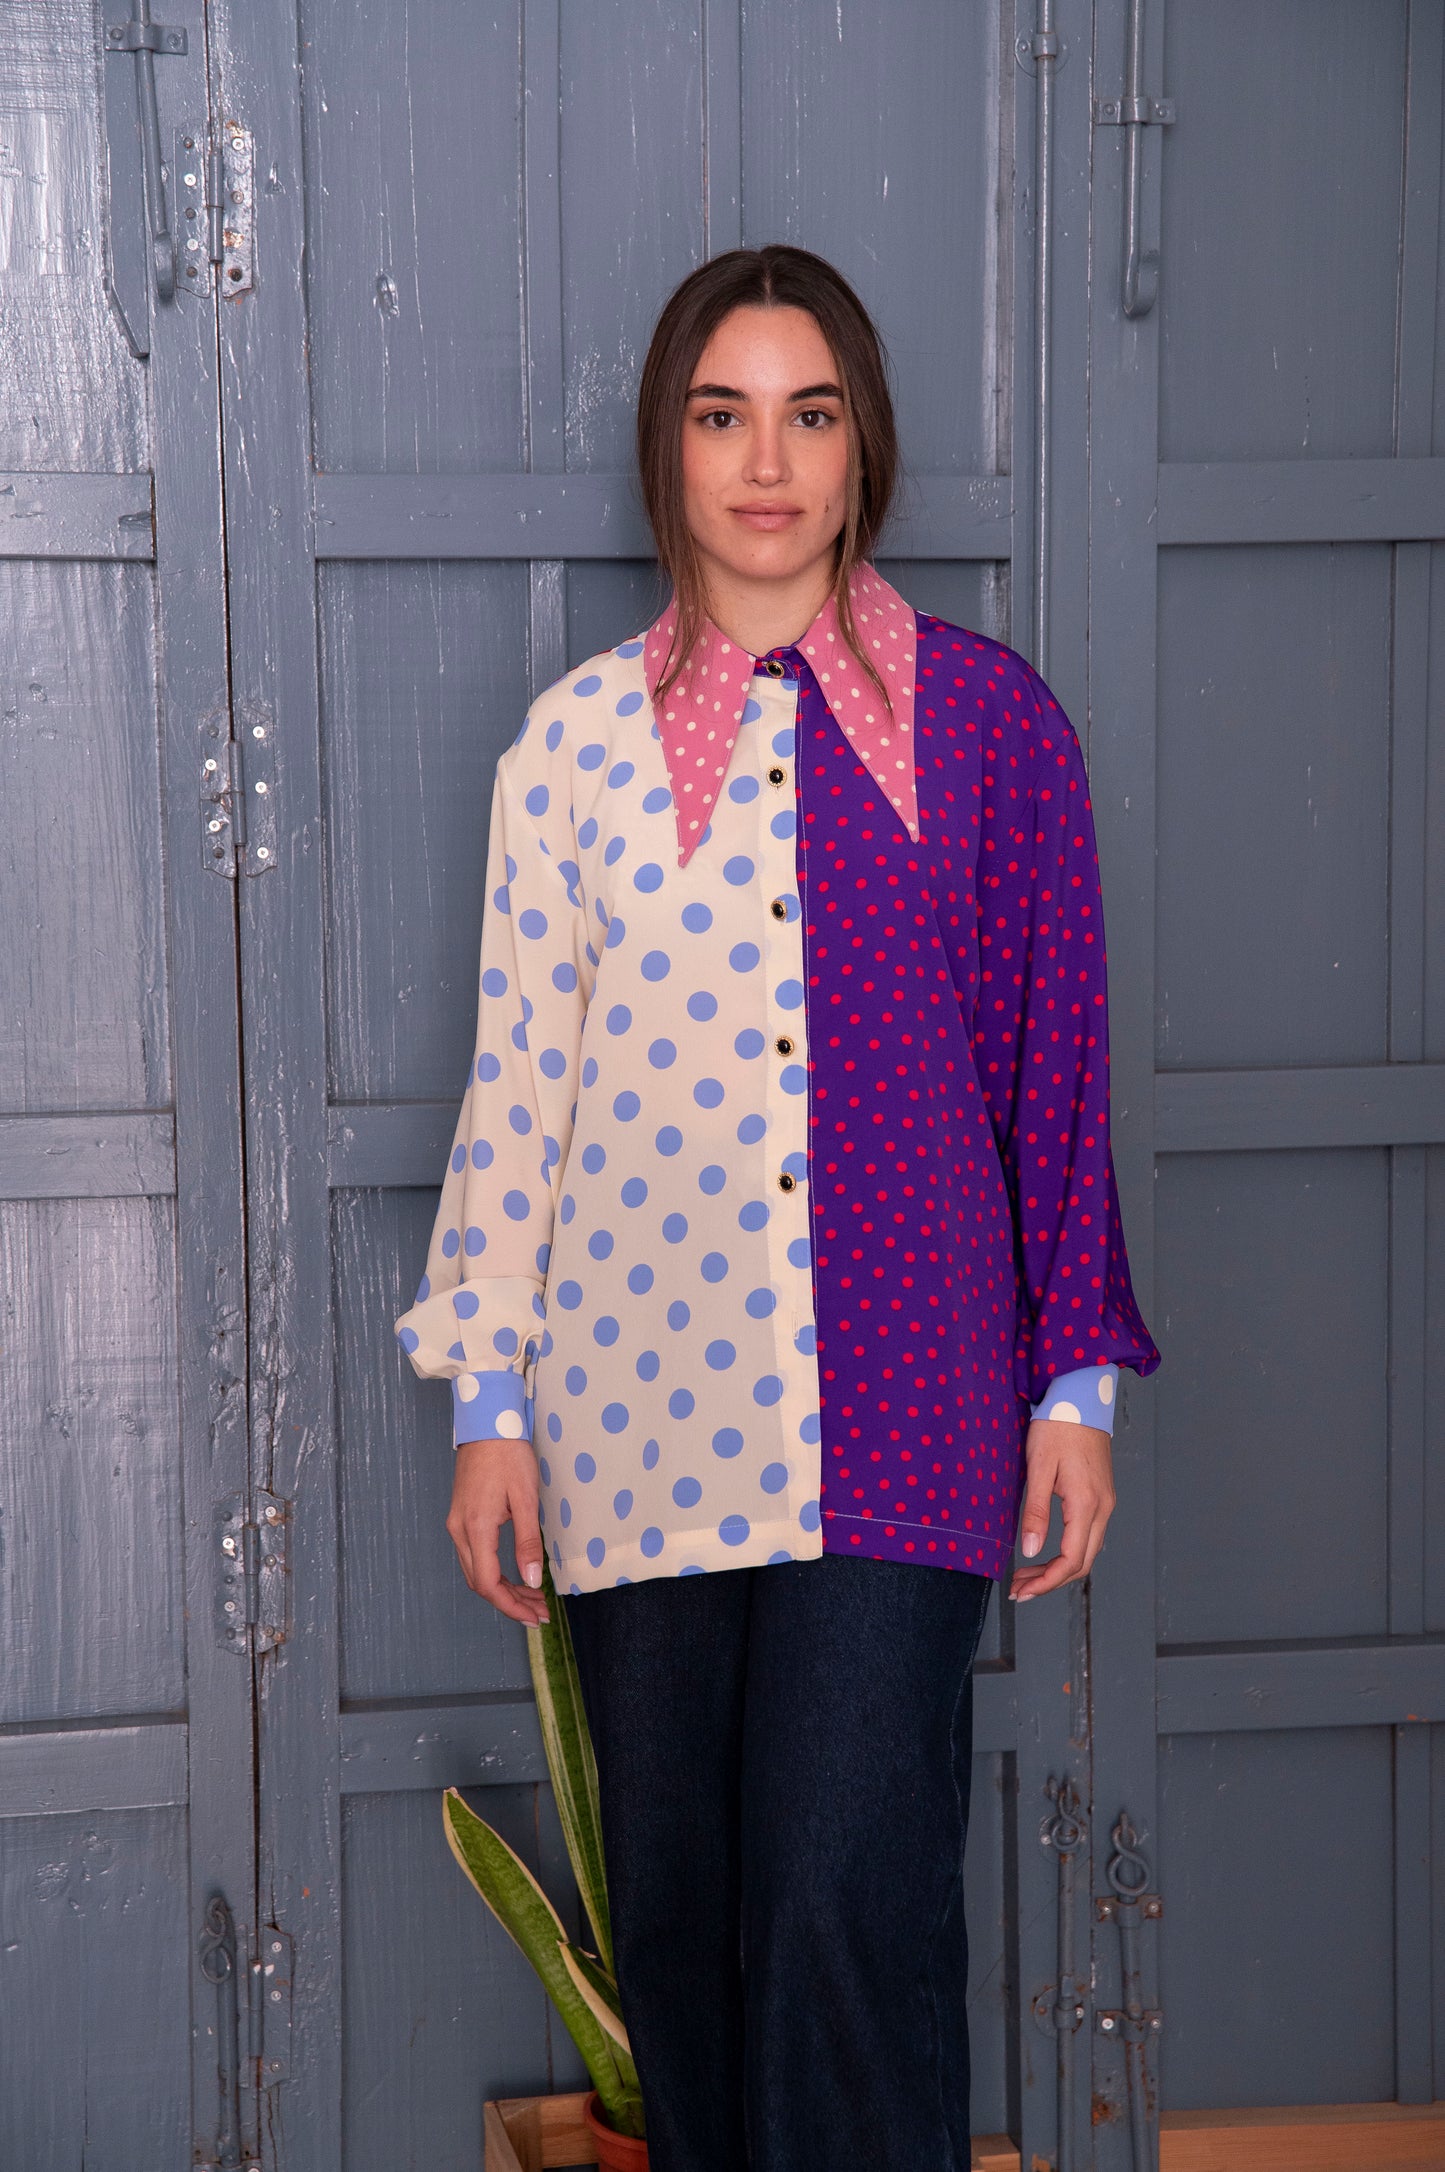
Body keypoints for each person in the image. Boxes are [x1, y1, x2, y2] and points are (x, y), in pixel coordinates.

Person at [393, 244, 1161, 2172]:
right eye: (720, 415)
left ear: (858, 441)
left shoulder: (993, 734)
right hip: (633, 1415)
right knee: (680, 1925)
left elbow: (1051, 1071)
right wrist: (490, 1403)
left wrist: (1073, 1386)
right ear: (668, 448)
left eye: (807, 415)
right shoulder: (571, 752)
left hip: (906, 1412)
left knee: (842, 1905)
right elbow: (521, 1084)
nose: (764, 462)